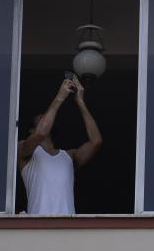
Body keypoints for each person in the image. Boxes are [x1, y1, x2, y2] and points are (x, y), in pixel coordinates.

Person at [18, 77, 103, 215]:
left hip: (67, 230)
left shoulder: (69, 156)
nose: (46, 117)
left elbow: (96, 141)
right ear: (30, 131)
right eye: (42, 117)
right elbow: (41, 133)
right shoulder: (24, 149)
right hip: (37, 228)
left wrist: (80, 101)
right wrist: (60, 97)